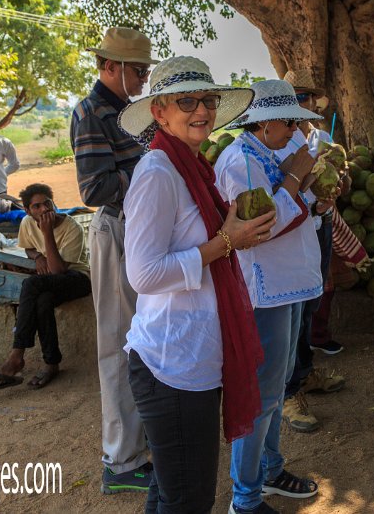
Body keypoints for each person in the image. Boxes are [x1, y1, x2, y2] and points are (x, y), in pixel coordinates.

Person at [117, 56, 268, 513]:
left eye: (208, 99)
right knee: (188, 499)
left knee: (171, 491)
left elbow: (198, 243)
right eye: (186, 101)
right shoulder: (159, 173)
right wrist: (225, 240)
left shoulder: (193, 167)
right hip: (172, 364)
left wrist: (232, 228)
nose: (201, 110)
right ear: (159, 111)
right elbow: (142, 274)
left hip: (190, 356)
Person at [215, 79, 327, 514]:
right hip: (265, 290)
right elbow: (260, 226)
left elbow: (299, 206)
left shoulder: (268, 154)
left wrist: (318, 195)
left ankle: (270, 469)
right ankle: (245, 498)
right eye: (292, 122)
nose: (297, 130)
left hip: (289, 284)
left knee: (275, 389)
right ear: (269, 123)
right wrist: (298, 176)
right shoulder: (240, 161)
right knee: (260, 397)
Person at [69, 26, 157, 494]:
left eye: (144, 71)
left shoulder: (131, 111)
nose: (143, 80)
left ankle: (141, 446)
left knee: (141, 340)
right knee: (118, 344)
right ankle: (121, 462)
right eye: (138, 71)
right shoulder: (90, 112)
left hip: (140, 229)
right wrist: (151, 177)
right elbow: (95, 189)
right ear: (111, 66)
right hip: (116, 229)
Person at [279, 69, 346, 434]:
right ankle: (289, 393)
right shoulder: (283, 140)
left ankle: (304, 373)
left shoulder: (320, 136)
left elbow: (331, 178)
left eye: (308, 98)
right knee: (295, 313)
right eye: (297, 97)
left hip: (319, 227)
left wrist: (338, 177)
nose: (305, 104)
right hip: (295, 231)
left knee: (311, 305)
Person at [0, 183, 92, 390]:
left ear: (54, 203)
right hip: (50, 279)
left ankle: (16, 356)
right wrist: (37, 256)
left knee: (31, 284)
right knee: (43, 300)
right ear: (28, 211)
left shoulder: (71, 227)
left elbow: (58, 271)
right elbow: (28, 247)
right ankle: (51, 363)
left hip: (77, 278)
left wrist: (47, 233)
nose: (44, 210)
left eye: (47, 203)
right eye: (36, 207)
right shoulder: (27, 223)